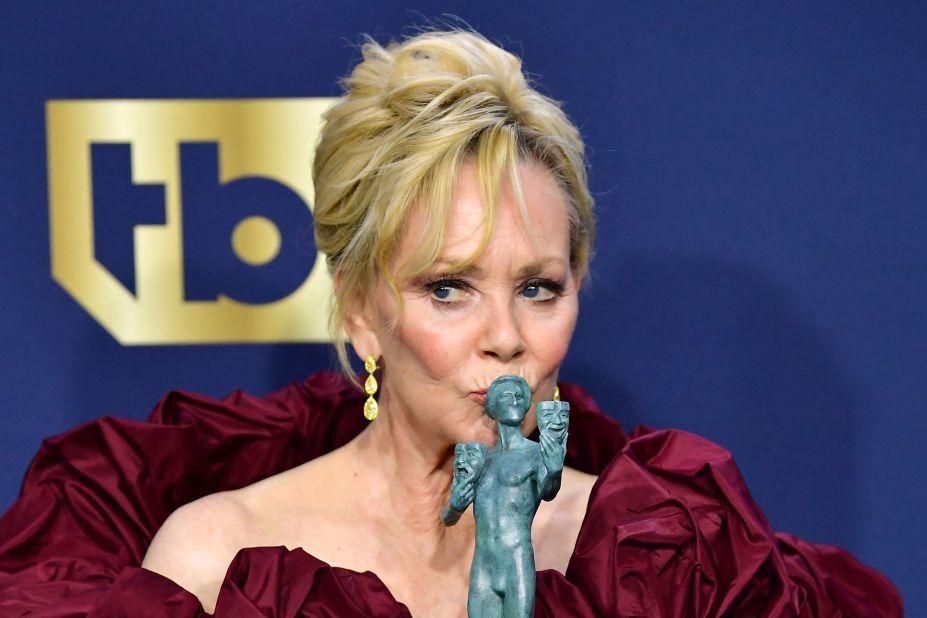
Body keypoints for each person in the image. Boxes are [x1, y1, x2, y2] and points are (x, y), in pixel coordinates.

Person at [0, 29, 902, 617]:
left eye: (539, 287)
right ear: (361, 311)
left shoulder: (667, 560)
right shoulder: (216, 556)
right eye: (447, 288)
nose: (505, 335)